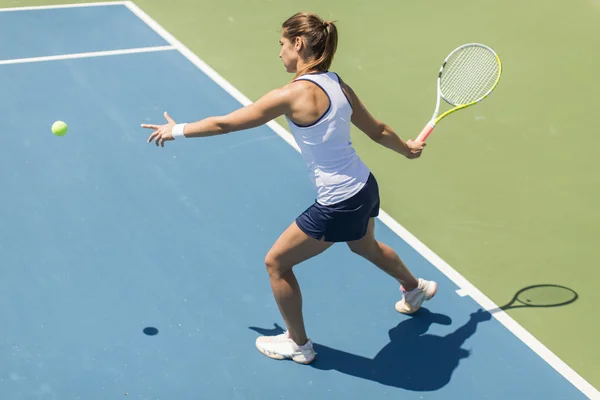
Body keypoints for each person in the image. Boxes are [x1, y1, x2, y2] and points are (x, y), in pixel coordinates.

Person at [141, 12, 438, 365]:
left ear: (298, 44)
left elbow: (226, 123)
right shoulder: (338, 85)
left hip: (338, 201)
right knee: (366, 246)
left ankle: (298, 344)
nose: (279, 52)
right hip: (363, 187)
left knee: (277, 263)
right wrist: (406, 149)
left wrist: (177, 130)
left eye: (282, 44)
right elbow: (378, 130)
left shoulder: (291, 95)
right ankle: (414, 288)